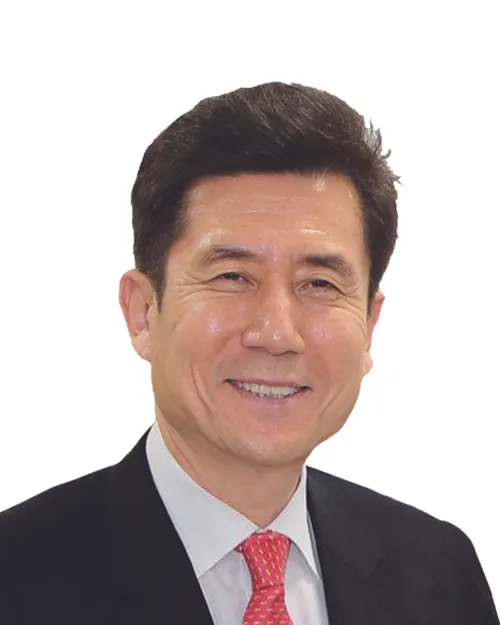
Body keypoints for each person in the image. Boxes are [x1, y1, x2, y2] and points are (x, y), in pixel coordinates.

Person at [0, 81, 497, 625]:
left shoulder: (438, 573)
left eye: (320, 284)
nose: (277, 333)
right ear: (142, 312)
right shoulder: (16, 577)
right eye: (233, 276)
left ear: (369, 325)